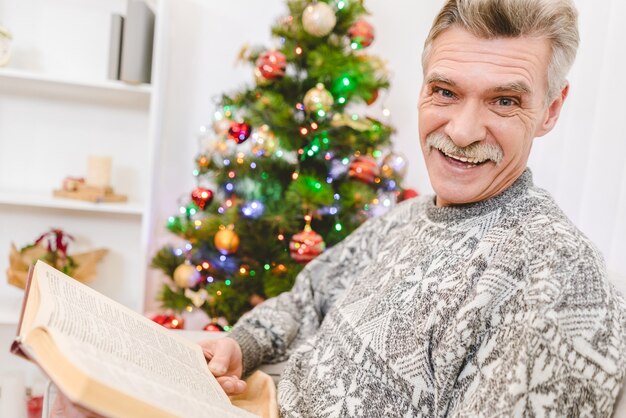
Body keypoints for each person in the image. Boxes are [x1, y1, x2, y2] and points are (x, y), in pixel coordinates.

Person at [56, 0, 626, 416]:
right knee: (74, 389)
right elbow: (309, 297)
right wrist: (241, 344)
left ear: (551, 109)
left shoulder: (559, 281)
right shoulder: (410, 217)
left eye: (505, 100)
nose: (462, 129)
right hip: (262, 398)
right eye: (445, 92)